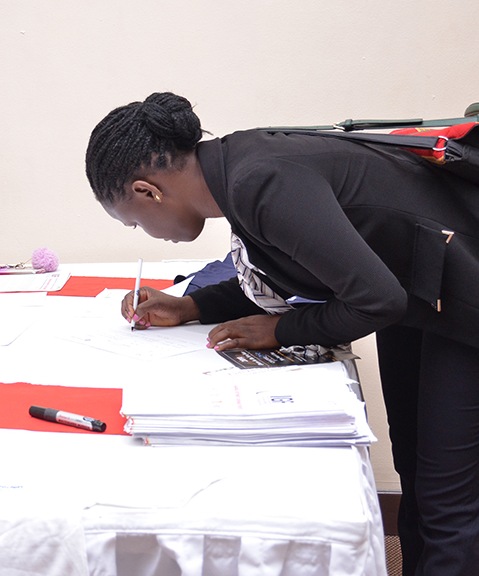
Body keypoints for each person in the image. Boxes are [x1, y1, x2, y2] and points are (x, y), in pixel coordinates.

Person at [85, 91, 479, 576]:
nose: (142, 230)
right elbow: (295, 268)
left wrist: (283, 330)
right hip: (424, 294)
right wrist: (193, 305)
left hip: (462, 299)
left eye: (132, 221)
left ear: (149, 191)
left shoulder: (259, 182)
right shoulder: (236, 165)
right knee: (417, 472)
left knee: (449, 501)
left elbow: (376, 300)